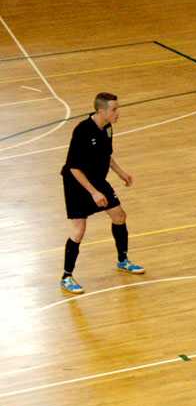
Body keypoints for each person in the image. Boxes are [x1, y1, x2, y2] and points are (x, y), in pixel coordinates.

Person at [59, 92, 143, 294]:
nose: (118, 113)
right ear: (101, 111)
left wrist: (121, 173)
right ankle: (66, 277)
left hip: (97, 180)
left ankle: (123, 260)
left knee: (119, 216)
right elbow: (73, 167)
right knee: (79, 229)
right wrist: (94, 193)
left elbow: (107, 155)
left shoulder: (107, 127)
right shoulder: (82, 131)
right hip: (76, 182)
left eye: (117, 108)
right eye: (114, 109)